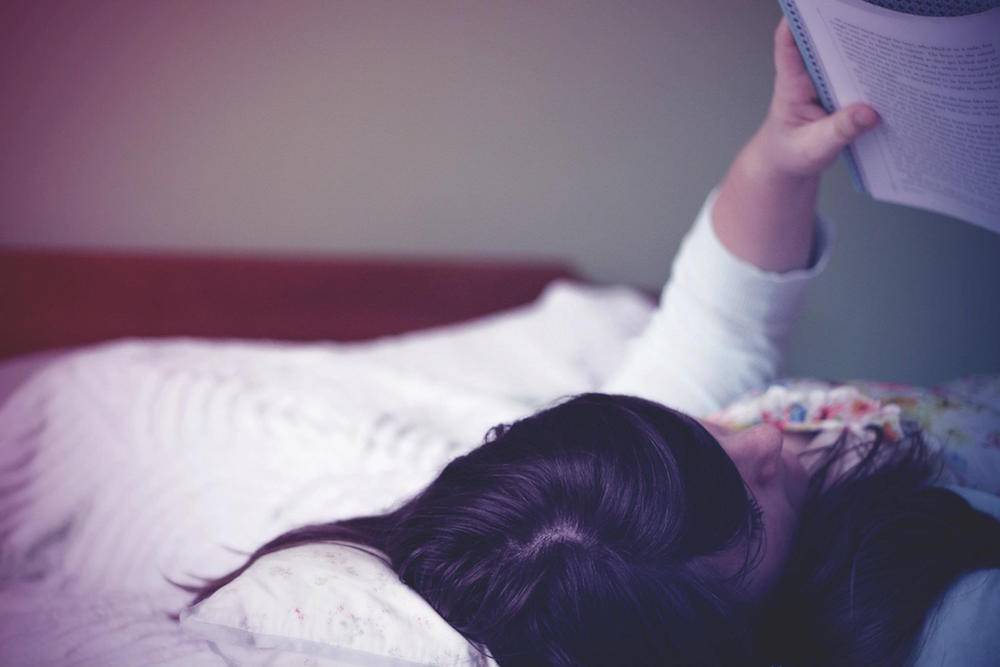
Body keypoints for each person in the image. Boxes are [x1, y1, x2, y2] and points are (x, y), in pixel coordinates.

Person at [182, 17, 1000, 667]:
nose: (768, 435)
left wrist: (779, 159)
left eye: (705, 434)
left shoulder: (638, 494)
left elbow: (722, 316)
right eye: (758, 501)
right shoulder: (940, 623)